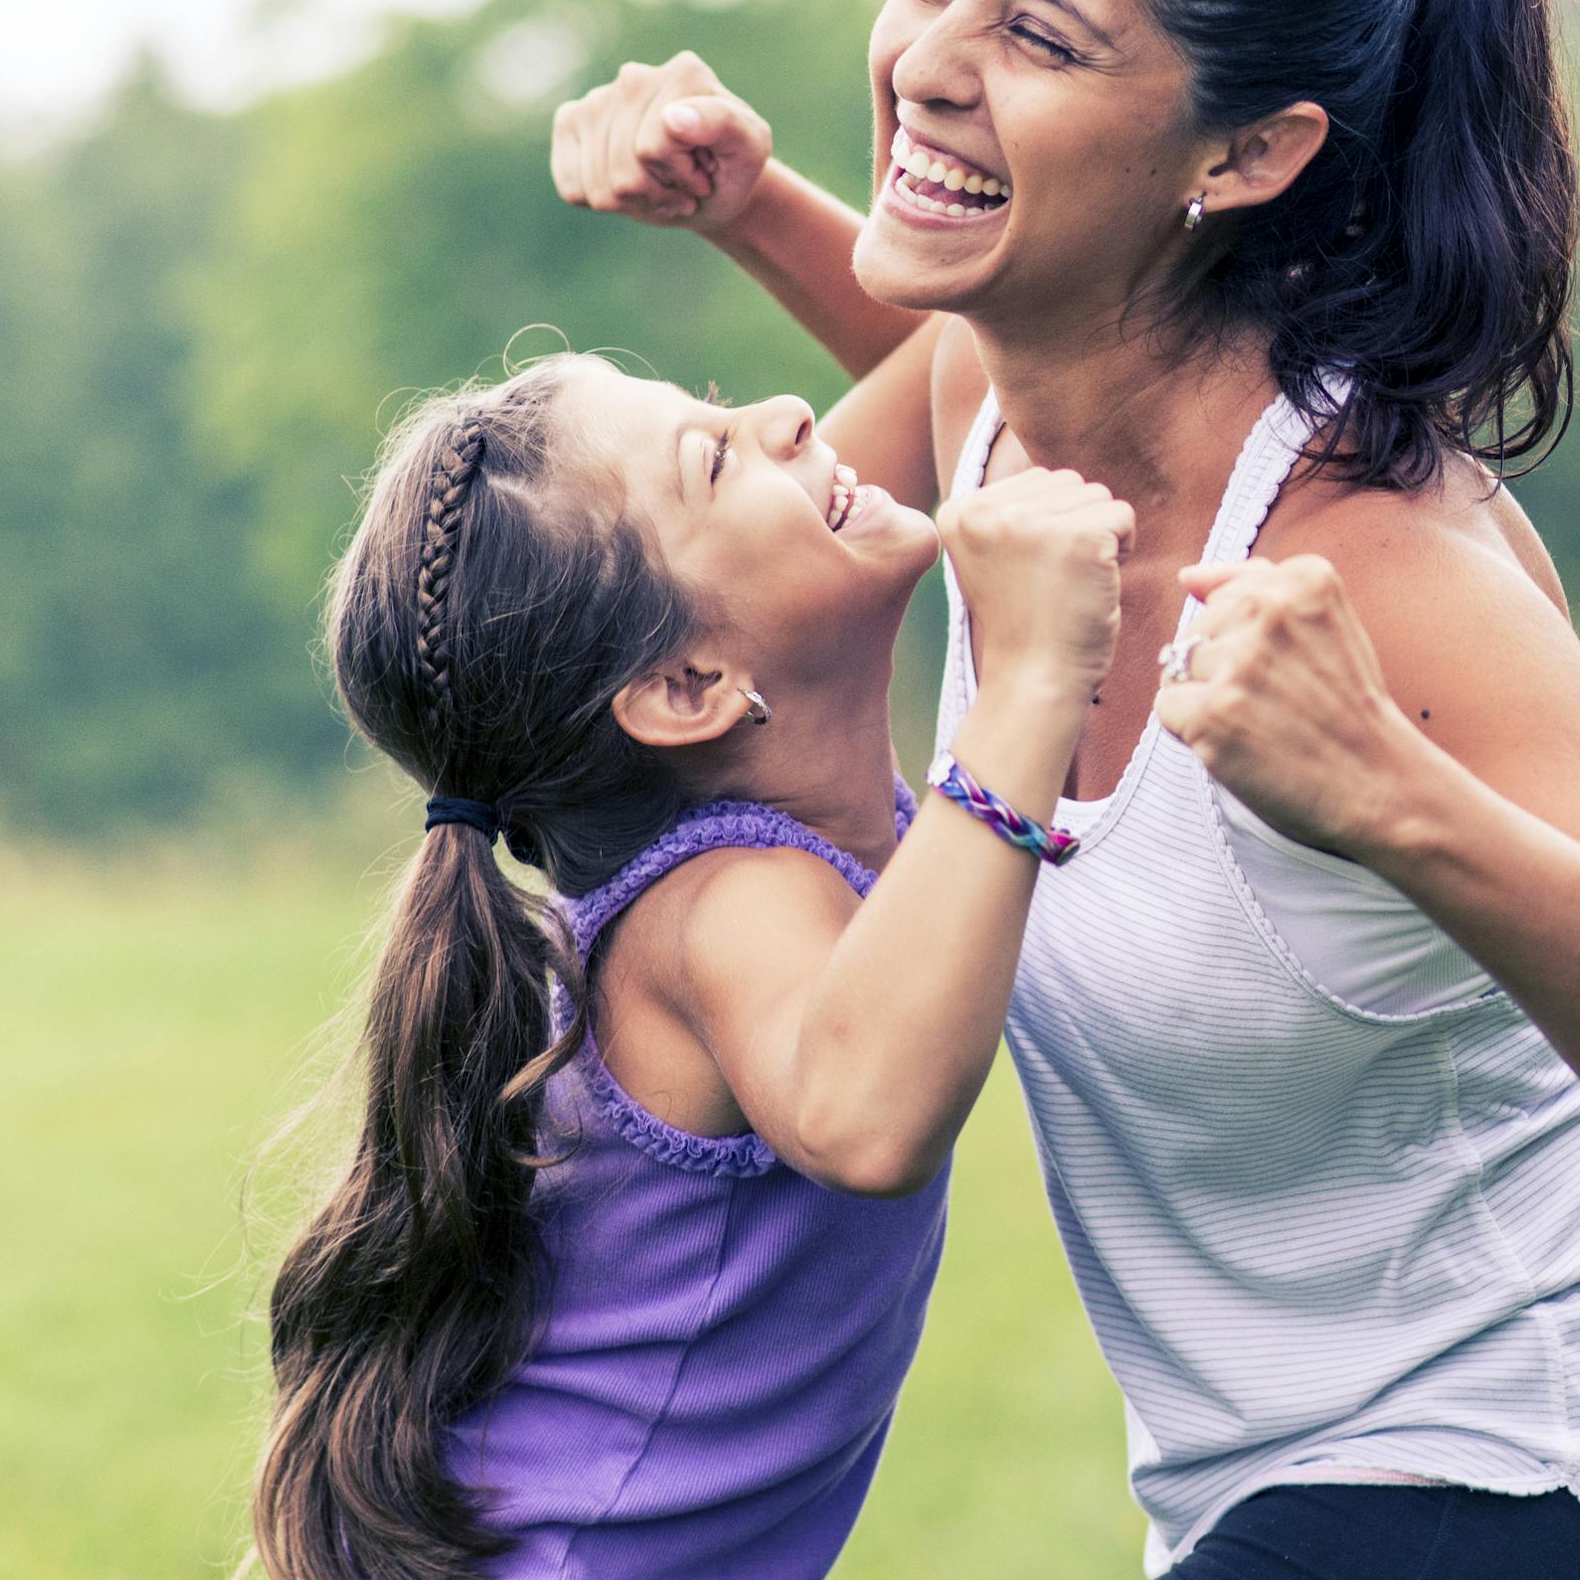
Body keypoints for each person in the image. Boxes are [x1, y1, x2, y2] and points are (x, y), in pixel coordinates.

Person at [546, 0, 1580, 1579]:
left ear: (1246, 150)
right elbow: (797, 520)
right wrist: (744, 201)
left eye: (1039, 36)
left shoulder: (1376, 570)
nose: (928, 62)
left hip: (1539, 1468)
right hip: (1251, 1498)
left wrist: (1391, 798)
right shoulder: (988, 402)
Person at [255, 352, 1134, 1579]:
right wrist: (1035, 683)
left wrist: (752, 203)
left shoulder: (757, 830)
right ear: (686, 687)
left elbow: (964, 347)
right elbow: (867, 1120)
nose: (786, 414)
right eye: (715, 455)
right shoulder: (722, 899)